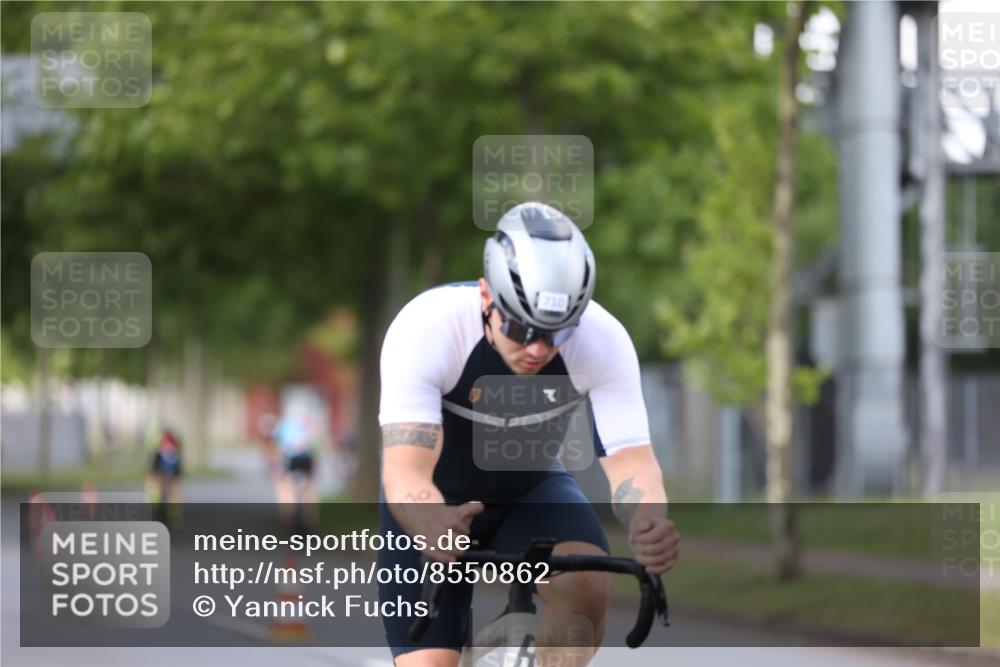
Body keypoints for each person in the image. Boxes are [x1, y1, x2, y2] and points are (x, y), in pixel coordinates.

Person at [378, 202, 680, 667]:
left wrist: (649, 520)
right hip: (433, 503)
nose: (538, 349)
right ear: (486, 297)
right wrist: (429, 521)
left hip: (530, 489)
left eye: (556, 333)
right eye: (520, 329)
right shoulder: (428, 327)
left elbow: (632, 460)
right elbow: (406, 470)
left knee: (587, 584)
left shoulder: (603, 339)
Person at [271, 403, 320, 531]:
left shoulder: (284, 424)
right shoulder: (309, 423)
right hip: (307, 459)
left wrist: (277, 467)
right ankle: (312, 520)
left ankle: (287, 516)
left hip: (290, 458)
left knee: (285, 487)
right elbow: (315, 446)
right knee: (310, 488)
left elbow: (277, 448)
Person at [146, 425, 182, 527]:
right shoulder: (174, 450)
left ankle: (160, 518)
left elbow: (154, 468)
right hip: (168, 477)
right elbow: (177, 469)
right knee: (169, 500)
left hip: (163, 477)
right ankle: (170, 520)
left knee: (159, 500)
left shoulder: (160, 450)